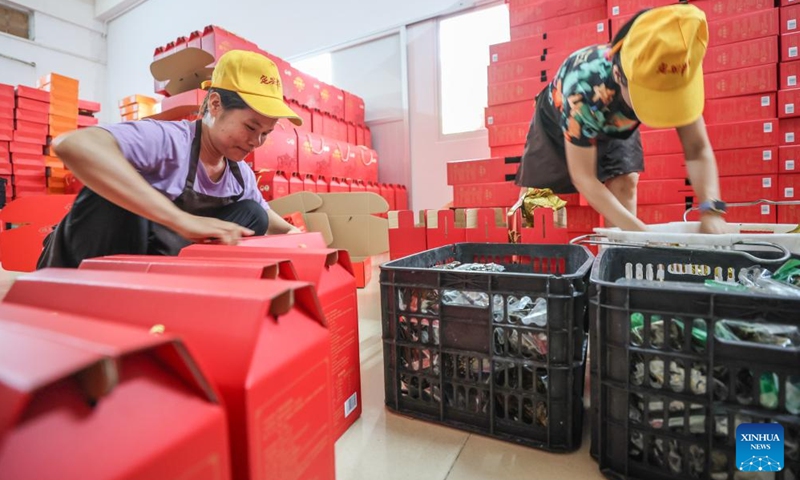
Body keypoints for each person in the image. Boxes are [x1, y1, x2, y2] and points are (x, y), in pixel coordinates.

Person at [37, 50, 303, 269]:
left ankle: (182, 292)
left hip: (153, 263)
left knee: (251, 214)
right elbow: (71, 144)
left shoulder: (238, 173)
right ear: (215, 104)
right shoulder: (170, 140)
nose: (256, 142)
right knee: (117, 190)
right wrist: (180, 220)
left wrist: (296, 237)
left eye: (265, 134)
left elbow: (266, 216)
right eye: (250, 127)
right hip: (87, 258)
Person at [515, 3, 730, 233]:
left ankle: (618, 258)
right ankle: (521, 258)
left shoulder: (675, 70)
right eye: (652, 96)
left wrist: (711, 210)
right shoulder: (583, 89)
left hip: (617, 119)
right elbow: (584, 178)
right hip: (561, 117)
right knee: (536, 198)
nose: (661, 106)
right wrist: (642, 235)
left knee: (626, 182)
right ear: (620, 76)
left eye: (669, 97)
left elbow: (697, 149)